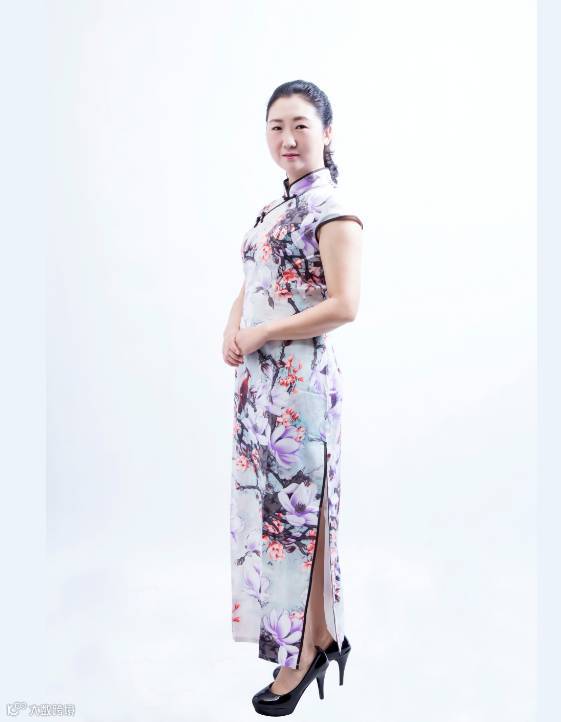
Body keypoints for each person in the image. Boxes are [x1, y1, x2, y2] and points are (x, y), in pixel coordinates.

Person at [223, 79, 363, 715]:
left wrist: (263, 332)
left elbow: (345, 305)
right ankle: (319, 636)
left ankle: (302, 652)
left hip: (299, 388)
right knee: (274, 520)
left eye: (301, 125)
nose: (287, 138)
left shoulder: (334, 210)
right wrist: (233, 326)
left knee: (298, 522)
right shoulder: (274, 209)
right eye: (276, 126)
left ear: (326, 133)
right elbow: (255, 279)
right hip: (260, 389)